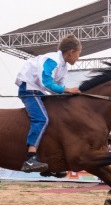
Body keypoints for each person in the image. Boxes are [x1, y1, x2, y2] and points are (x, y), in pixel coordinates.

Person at [15, 34, 82, 173]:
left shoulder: (64, 67)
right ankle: (30, 158)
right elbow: (47, 83)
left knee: (56, 115)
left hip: (38, 90)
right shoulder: (53, 60)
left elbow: (59, 88)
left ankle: (51, 159)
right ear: (71, 52)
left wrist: (68, 94)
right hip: (28, 89)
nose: (79, 57)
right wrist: (68, 90)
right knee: (42, 118)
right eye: (78, 53)